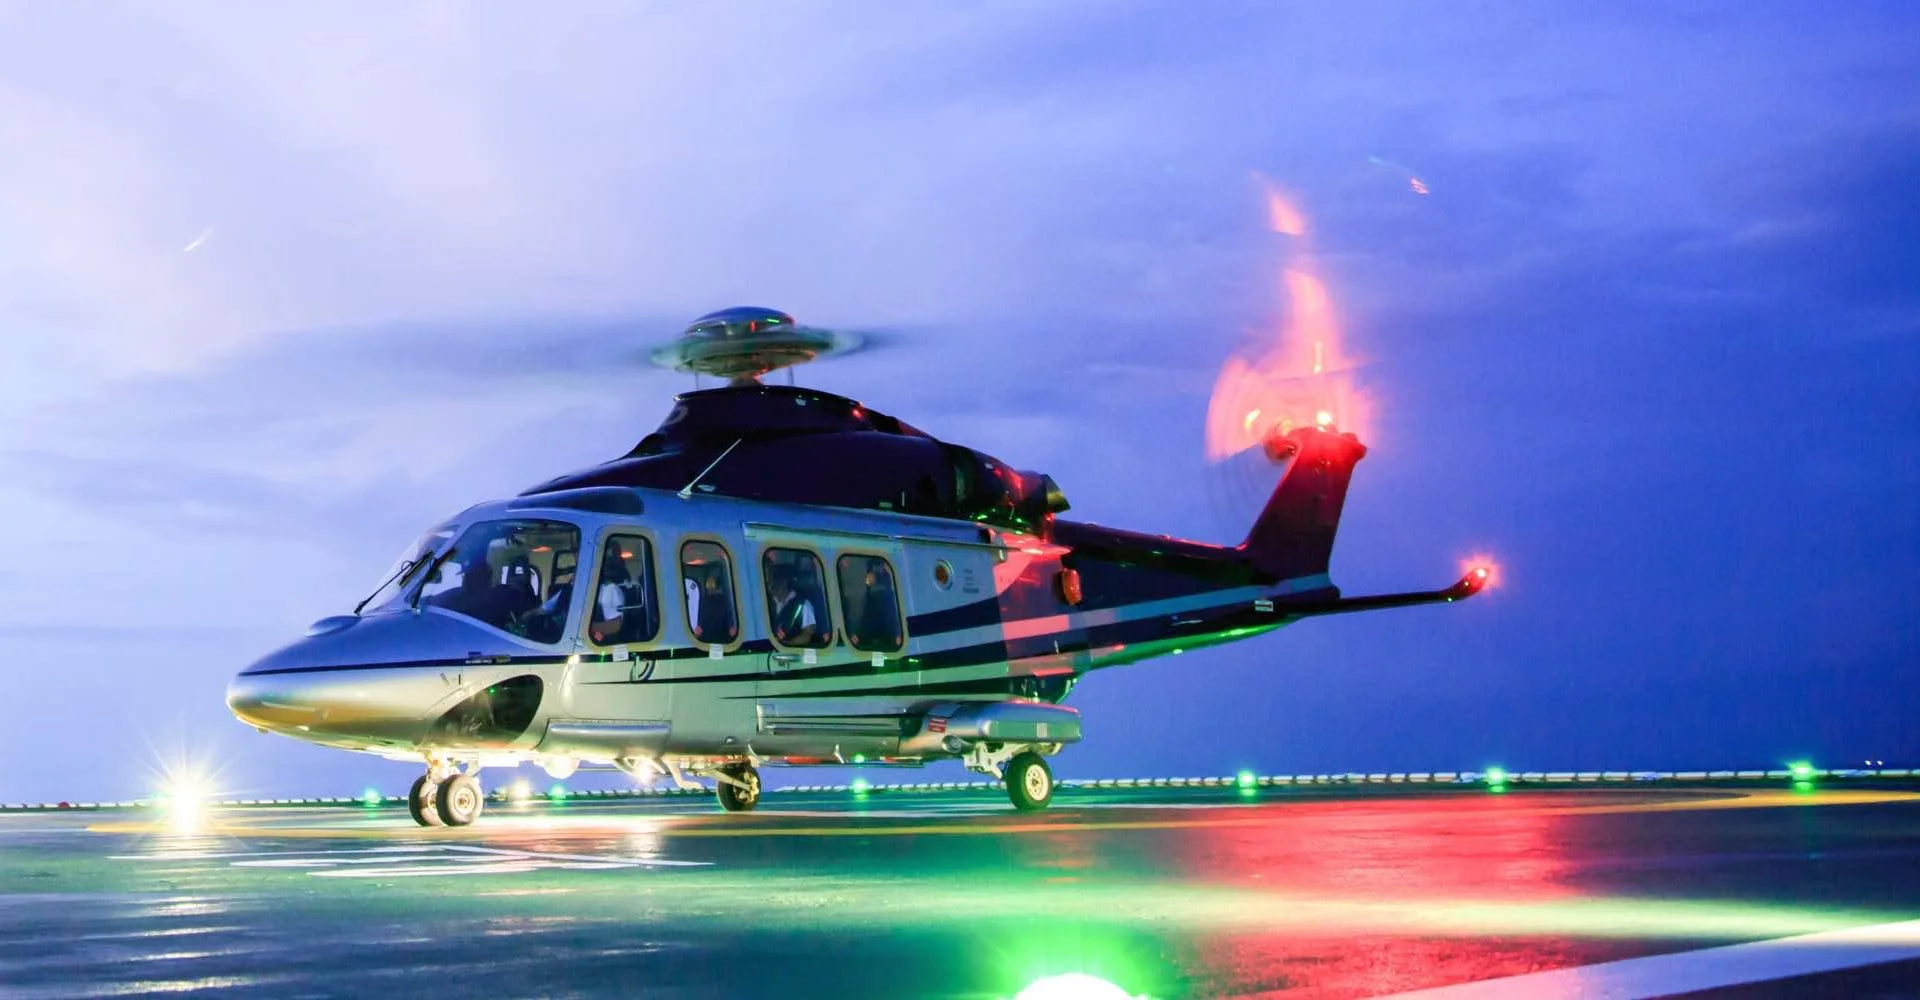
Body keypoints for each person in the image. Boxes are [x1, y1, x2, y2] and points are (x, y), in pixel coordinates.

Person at [771, 571, 821, 646]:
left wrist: (786, 645)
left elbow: (806, 636)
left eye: (777, 582)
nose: (773, 587)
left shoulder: (803, 604)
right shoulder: (770, 604)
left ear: (785, 582)